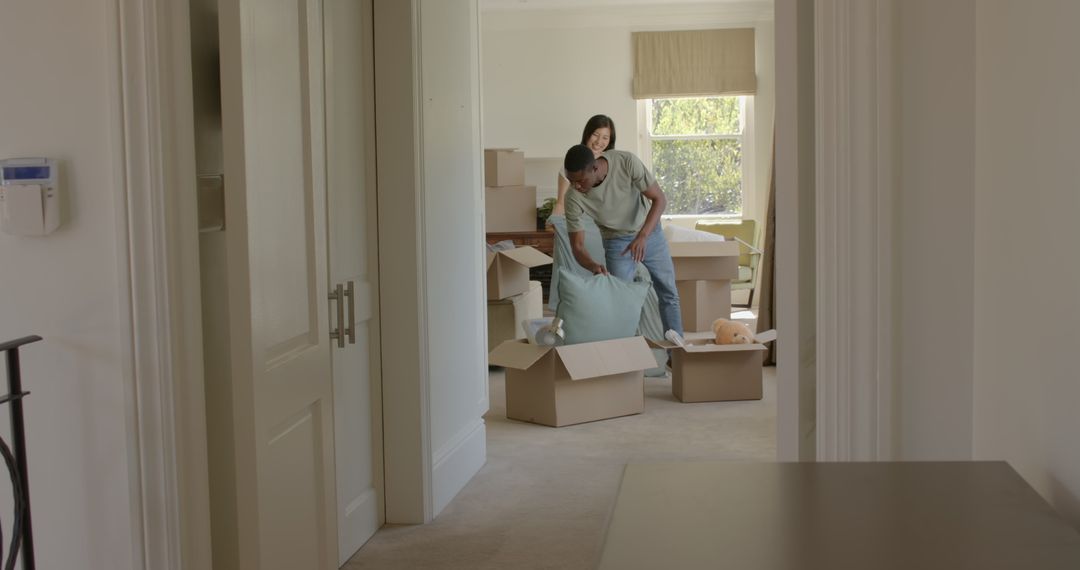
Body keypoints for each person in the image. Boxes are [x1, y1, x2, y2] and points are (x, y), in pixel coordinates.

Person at [561, 143, 683, 336]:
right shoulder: (573, 197)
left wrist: (643, 236)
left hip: (649, 232)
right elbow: (577, 246)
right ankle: (626, 355)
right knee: (620, 302)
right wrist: (593, 265)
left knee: (668, 292)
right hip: (616, 242)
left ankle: (676, 355)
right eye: (571, 181)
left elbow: (660, 199)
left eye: (581, 181)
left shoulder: (626, 162)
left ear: (595, 168)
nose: (576, 186)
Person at [550, 114, 616, 218]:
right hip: (579, 219)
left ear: (610, 140)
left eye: (605, 137)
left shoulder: (614, 162)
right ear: (587, 134)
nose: (599, 141)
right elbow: (561, 203)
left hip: (608, 221)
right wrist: (554, 220)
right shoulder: (572, 162)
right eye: (595, 134)